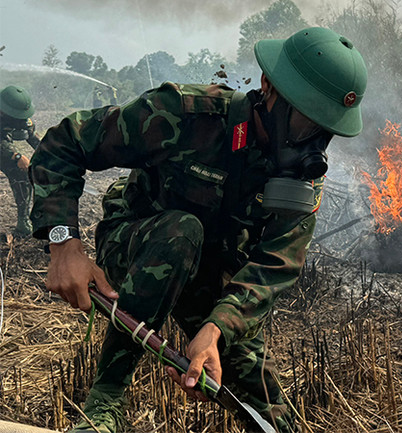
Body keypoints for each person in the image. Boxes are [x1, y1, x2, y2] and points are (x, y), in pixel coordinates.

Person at [29, 27, 367, 433]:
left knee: (275, 419)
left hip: (212, 276)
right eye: (305, 122)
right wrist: (64, 246)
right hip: (139, 245)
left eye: (325, 130)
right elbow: (65, 143)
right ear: (268, 87)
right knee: (181, 231)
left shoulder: (302, 179)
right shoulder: (186, 115)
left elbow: (274, 265)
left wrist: (216, 329)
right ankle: (105, 403)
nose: (313, 143)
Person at [0, 85, 41, 237]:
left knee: (21, 173)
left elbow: (32, 137)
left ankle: (23, 221)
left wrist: (49, 156)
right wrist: (16, 156)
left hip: (3, 148)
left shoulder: (20, 119)